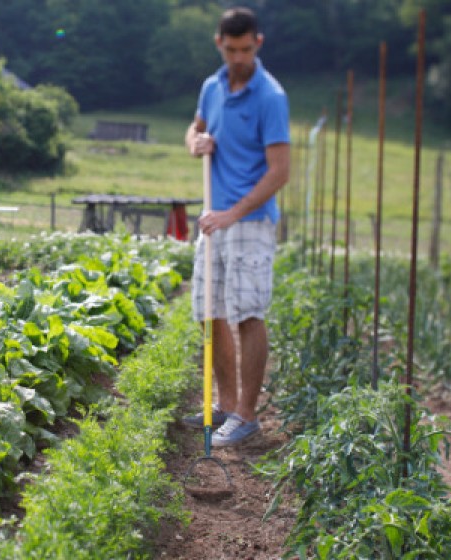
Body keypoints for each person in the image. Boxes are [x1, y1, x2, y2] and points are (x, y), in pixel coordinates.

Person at [181, 7, 290, 446]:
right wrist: (196, 142)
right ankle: (224, 407)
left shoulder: (271, 97)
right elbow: (195, 129)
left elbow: (279, 171)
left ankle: (246, 415)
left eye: (246, 49)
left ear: (258, 43)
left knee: (247, 314)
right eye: (231, 50)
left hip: (251, 221)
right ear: (219, 44)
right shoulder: (212, 87)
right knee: (210, 313)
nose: (239, 58)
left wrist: (233, 213)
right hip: (215, 218)